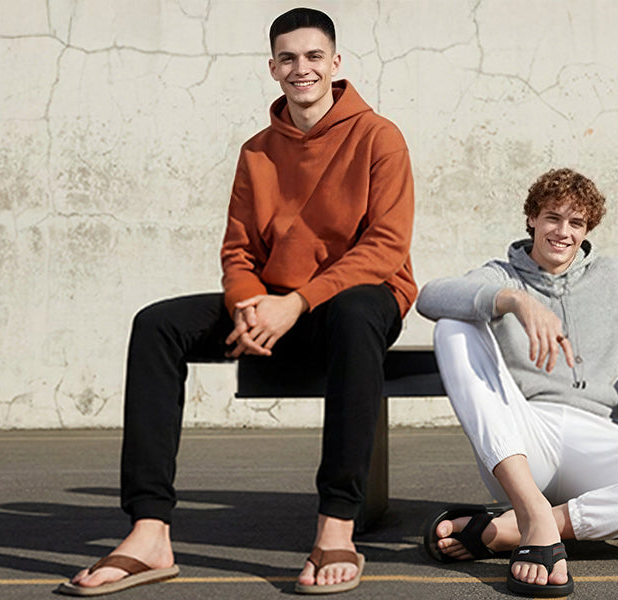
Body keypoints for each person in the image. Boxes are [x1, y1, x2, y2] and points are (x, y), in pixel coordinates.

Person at [59, 7, 414, 596]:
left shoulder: (379, 136)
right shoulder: (257, 151)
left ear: (335, 63)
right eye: (289, 58)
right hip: (276, 304)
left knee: (354, 316)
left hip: (361, 299)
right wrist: (251, 304)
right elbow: (239, 249)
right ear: (273, 68)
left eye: (314, 56)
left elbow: (384, 247)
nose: (302, 68)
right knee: (157, 325)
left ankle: (336, 524)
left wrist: (294, 304)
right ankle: (149, 533)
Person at [416, 168, 618, 597]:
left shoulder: (614, 278)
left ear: (587, 229)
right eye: (552, 218)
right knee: (452, 327)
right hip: (523, 439)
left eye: (576, 223)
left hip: (601, 441)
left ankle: (526, 525)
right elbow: (430, 297)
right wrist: (515, 301)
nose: (562, 232)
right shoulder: (501, 276)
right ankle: (530, 507)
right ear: (532, 218)